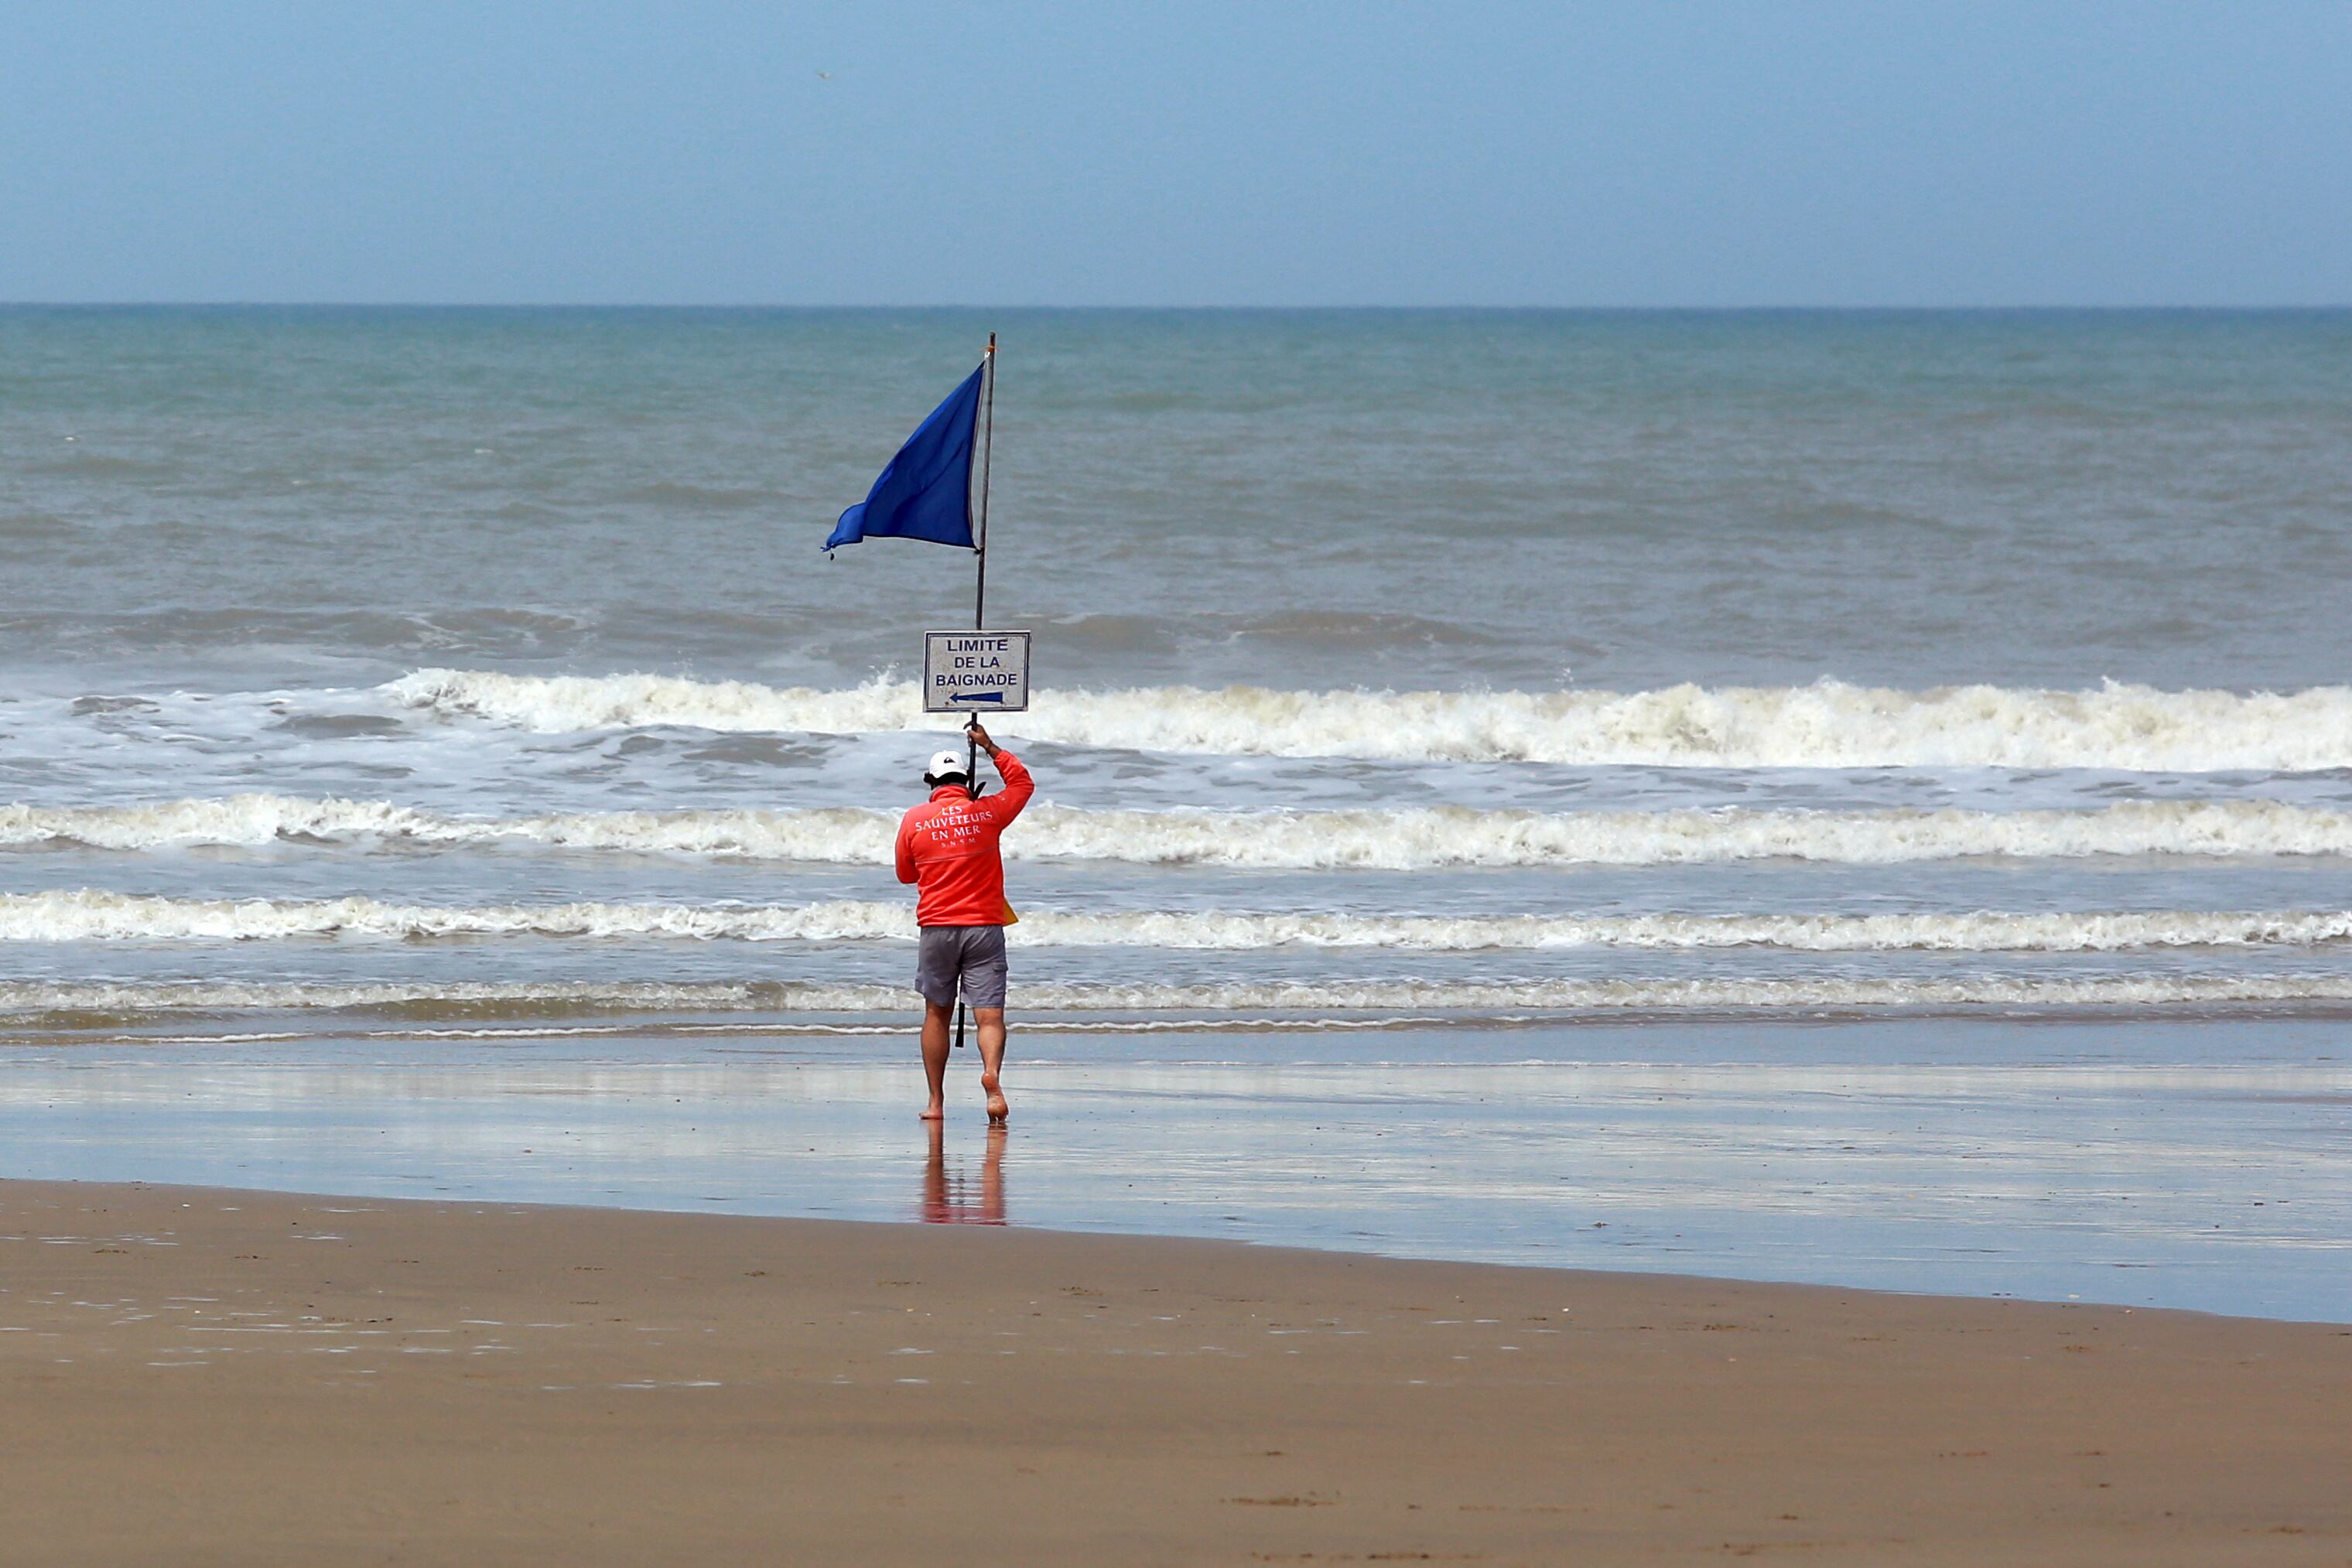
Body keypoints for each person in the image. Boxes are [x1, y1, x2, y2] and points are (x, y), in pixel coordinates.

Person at [894, 719, 1033, 1123]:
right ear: (965, 780)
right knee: (989, 1015)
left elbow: (906, 874)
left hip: (938, 927)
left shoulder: (914, 820)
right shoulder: (987, 812)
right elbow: (1023, 785)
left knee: (936, 1012)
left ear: (931, 782)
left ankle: (936, 1103)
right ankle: (991, 1075)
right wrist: (989, 746)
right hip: (984, 928)